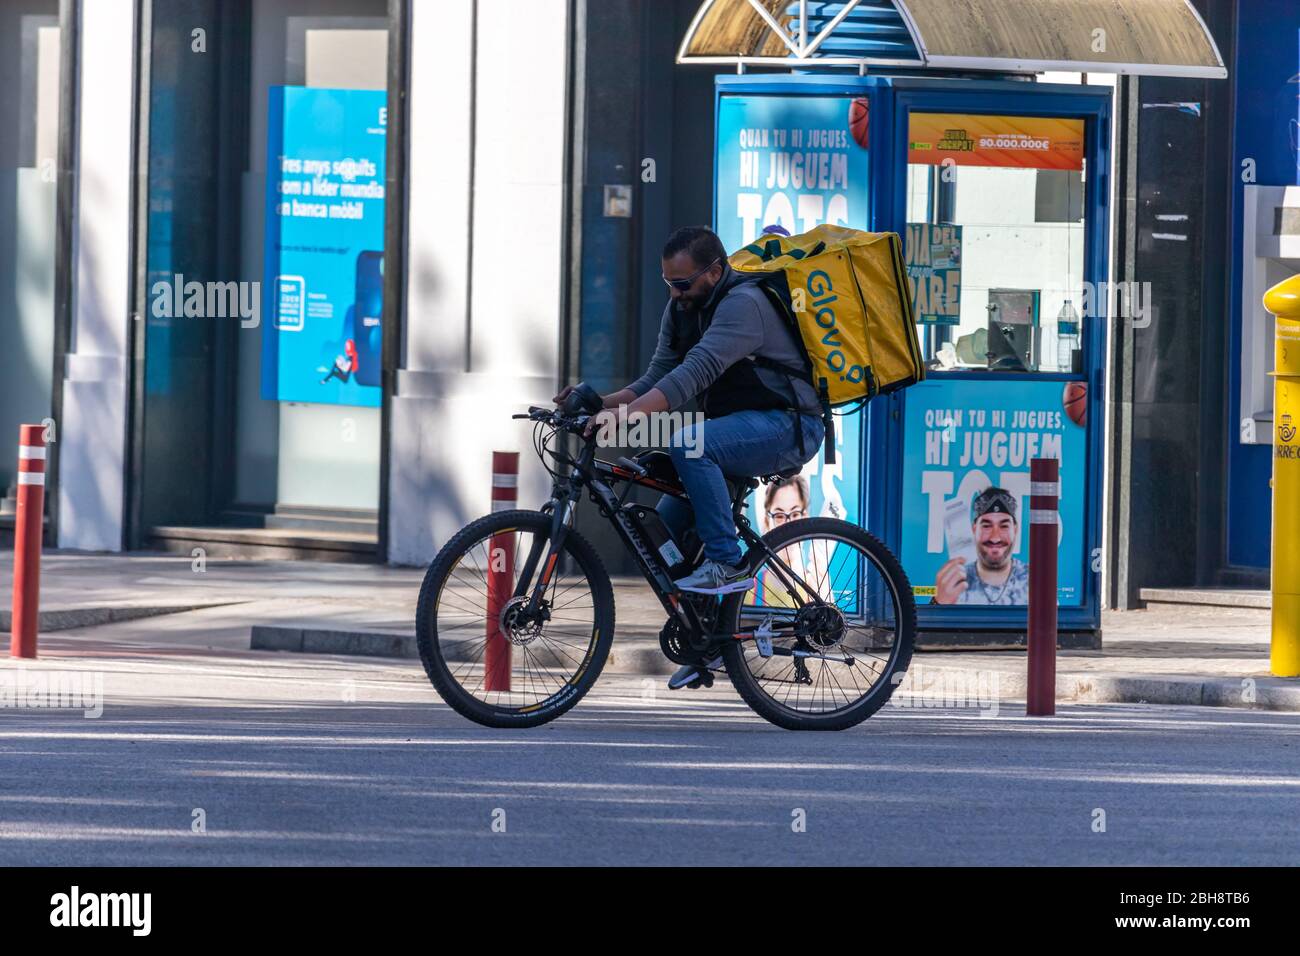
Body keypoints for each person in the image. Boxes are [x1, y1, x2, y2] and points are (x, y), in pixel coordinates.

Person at [557, 225, 824, 687]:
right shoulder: (682, 307)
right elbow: (659, 374)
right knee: (663, 538)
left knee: (687, 443)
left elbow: (693, 376)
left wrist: (627, 417)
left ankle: (726, 559)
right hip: (735, 430)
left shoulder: (744, 305)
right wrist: (601, 403)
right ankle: (713, 642)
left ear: (715, 271)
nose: (675, 293)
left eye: (682, 284)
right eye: (667, 284)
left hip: (787, 424)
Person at [932, 487, 1029, 605]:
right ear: (974, 529)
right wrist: (938, 602)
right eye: (986, 526)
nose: (995, 538)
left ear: (1015, 529)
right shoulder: (954, 581)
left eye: (1004, 526)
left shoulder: (1035, 581)